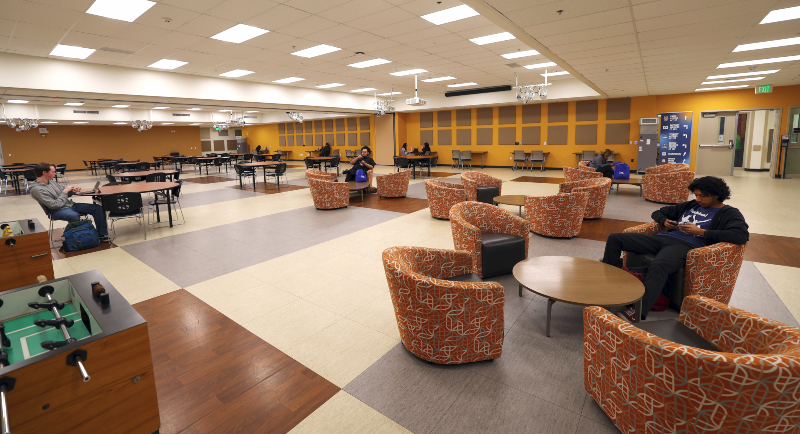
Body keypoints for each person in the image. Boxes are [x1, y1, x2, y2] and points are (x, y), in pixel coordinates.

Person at [601, 176, 748, 322]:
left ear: (717, 195)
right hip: (661, 239)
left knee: (659, 265)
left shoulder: (730, 213)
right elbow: (658, 212)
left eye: (703, 196)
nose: (698, 199)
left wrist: (701, 232)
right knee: (615, 238)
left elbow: (741, 236)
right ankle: (609, 287)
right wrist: (664, 221)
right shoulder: (691, 205)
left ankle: (638, 311)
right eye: (696, 195)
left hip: (686, 246)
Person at [30, 162, 110, 242]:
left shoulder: (52, 182)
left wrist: (72, 191)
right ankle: (78, 238)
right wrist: (65, 192)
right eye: (53, 172)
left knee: (97, 208)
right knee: (73, 215)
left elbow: (65, 194)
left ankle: (102, 234)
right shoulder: (36, 189)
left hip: (69, 205)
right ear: (44, 173)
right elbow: (54, 205)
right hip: (56, 210)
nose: (55, 174)